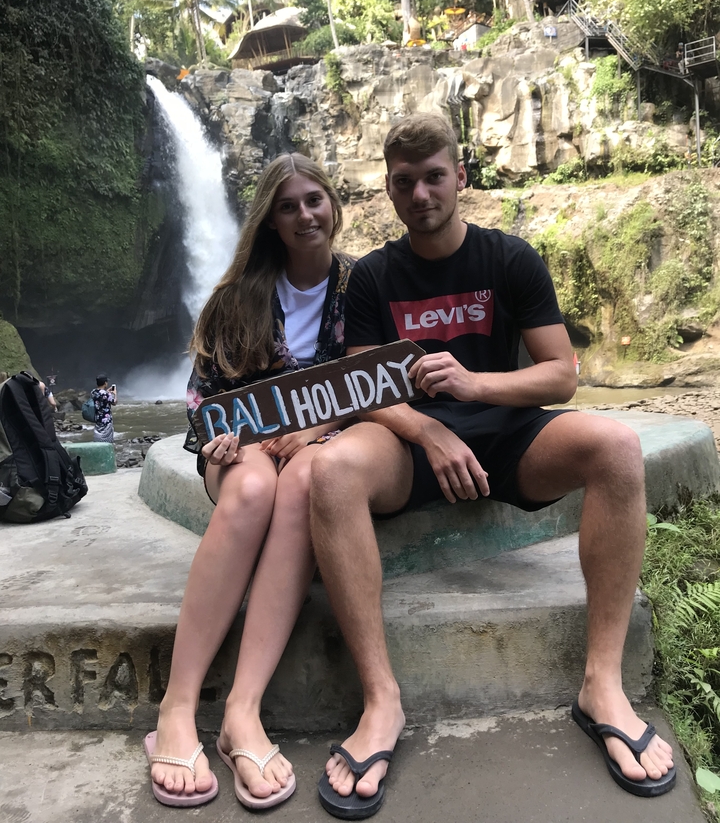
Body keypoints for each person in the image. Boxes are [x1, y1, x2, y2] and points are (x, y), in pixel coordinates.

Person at [309, 113, 675, 820]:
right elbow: (364, 390)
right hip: (410, 448)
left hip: (507, 440)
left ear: (460, 178)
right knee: (332, 471)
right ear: (389, 190)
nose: (420, 193)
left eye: (434, 177)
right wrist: (431, 435)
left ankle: (602, 683)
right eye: (405, 181)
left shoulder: (509, 259)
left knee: (618, 448)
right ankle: (381, 703)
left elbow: (560, 376)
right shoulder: (373, 278)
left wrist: (475, 387)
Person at [145, 153, 354, 809]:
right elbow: (204, 401)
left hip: (320, 451)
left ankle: (242, 711)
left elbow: (380, 382)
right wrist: (224, 438)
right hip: (239, 451)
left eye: (313, 199)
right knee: (257, 484)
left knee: (301, 482)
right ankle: (176, 711)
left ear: (333, 203)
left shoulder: (364, 286)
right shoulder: (236, 300)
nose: (303, 215)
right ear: (268, 220)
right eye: (287, 205)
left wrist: (323, 430)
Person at [91, 376, 116, 442]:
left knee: (98, 434)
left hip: (98, 418)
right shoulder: (105, 394)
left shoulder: (93, 392)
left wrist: (107, 392)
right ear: (105, 383)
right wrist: (115, 394)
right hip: (106, 419)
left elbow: (101, 396)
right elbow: (114, 402)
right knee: (107, 438)